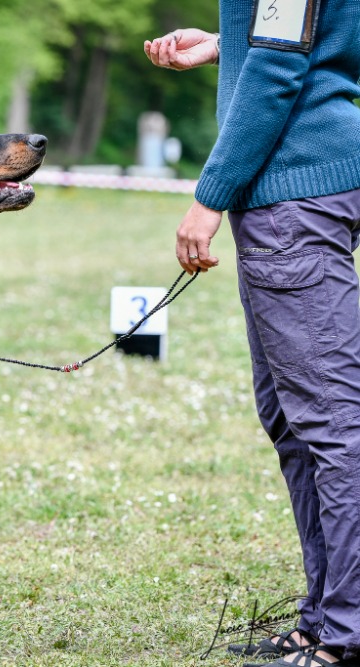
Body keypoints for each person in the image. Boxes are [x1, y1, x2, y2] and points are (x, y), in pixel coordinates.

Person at [145, 2, 360, 666]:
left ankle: (347, 633)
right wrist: (224, 43)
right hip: (298, 185)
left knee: (329, 423)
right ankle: (324, 618)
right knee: (291, 416)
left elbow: (277, 68)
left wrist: (210, 196)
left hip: (292, 191)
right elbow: (302, 35)